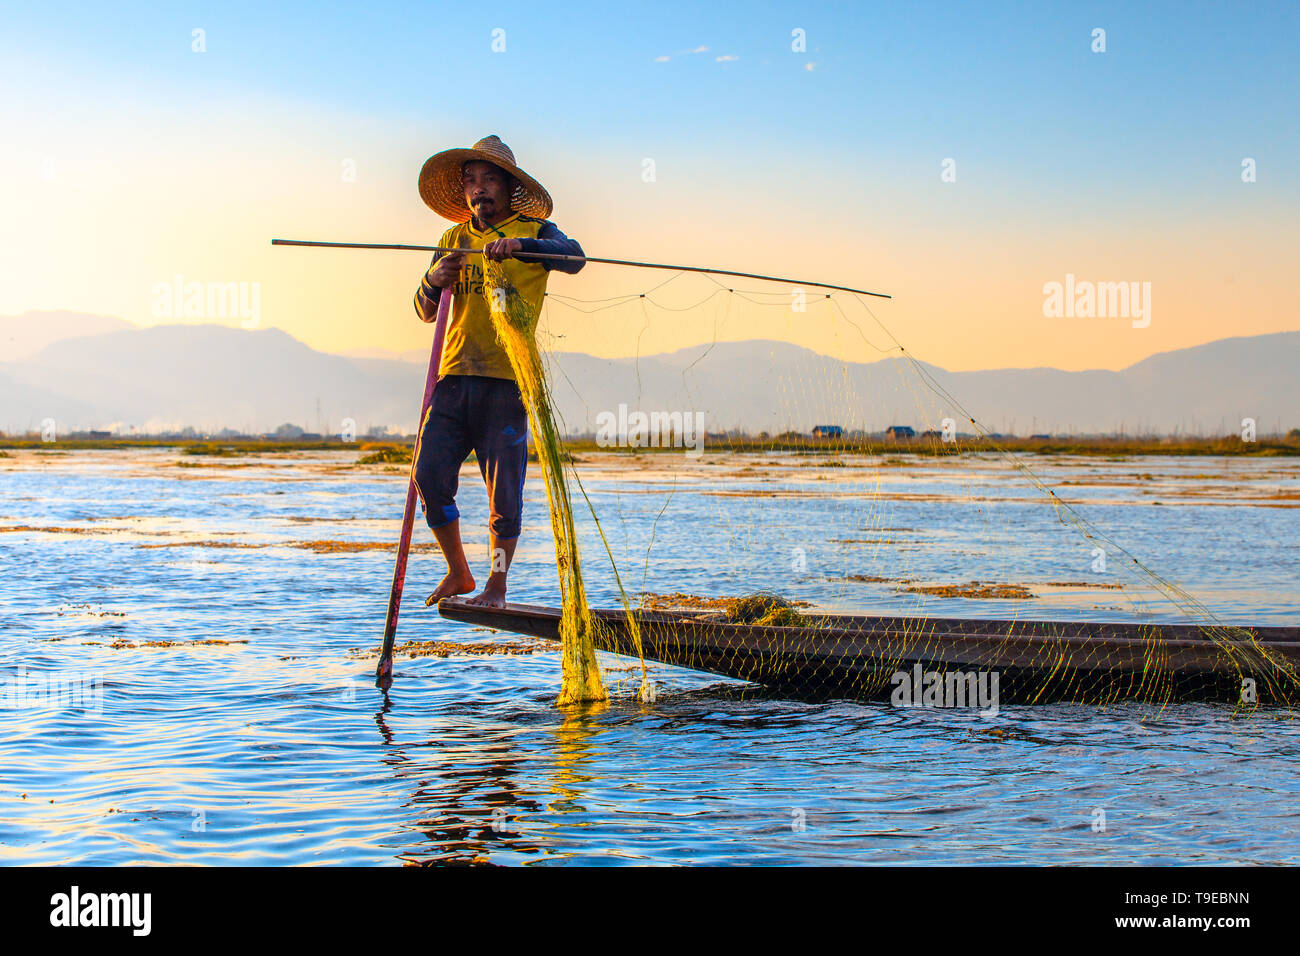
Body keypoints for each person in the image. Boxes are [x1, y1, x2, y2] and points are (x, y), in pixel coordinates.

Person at [412, 135, 585, 608]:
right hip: (452, 379)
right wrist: (434, 279)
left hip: (507, 383)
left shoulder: (538, 229)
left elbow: (574, 258)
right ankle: (459, 572)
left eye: (489, 179)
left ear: (509, 186)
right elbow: (423, 310)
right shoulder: (453, 240)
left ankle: (496, 586)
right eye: (471, 181)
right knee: (427, 476)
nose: (478, 189)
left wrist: (522, 247)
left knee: (503, 502)